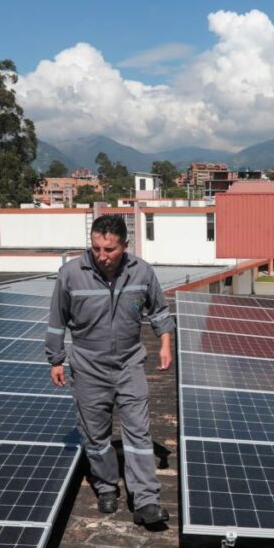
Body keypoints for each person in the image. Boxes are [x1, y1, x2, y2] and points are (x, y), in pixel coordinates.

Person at [46, 214, 174, 525]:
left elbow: (158, 310)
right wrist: (56, 359)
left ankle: (145, 500)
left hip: (129, 363)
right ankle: (105, 487)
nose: (102, 256)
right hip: (88, 367)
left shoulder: (141, 272)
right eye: (96, 248)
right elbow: (56, 320)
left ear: (125, 246)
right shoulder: (70, 274)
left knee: (138, 433)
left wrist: (165, 345)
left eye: (109, 249)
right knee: (97, 435)